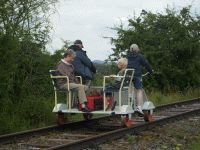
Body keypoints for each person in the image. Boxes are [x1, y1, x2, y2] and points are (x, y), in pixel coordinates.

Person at [127, 44, 153, 116]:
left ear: (130, 49)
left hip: (128, 75)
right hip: (136, 75)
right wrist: (151, 71)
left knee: (129, 88)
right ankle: (139, 107)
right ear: (137, 49)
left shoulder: (127, 56)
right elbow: (146, 64)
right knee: (139, 90)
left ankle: (129, 103)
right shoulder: (139, 56)